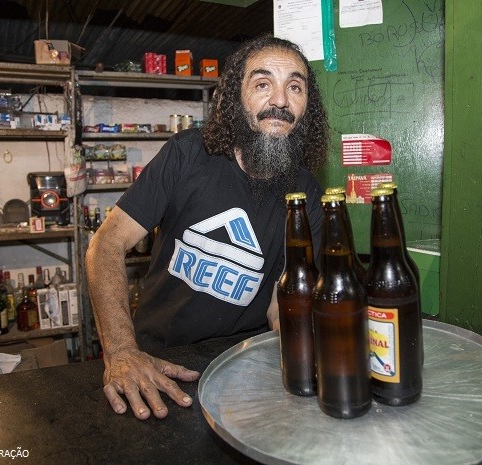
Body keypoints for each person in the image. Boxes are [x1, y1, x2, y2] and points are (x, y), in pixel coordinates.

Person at [85, 34, 329, 420]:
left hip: (242, 370)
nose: (279, 101)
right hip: (154, 362)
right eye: (262, 84)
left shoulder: (306, 193)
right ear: (236, 97)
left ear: (306, 108)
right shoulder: (187, 155)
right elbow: (106, 244)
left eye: (294, 87)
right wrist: (121, 352)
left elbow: (281, 299)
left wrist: (300, 350)